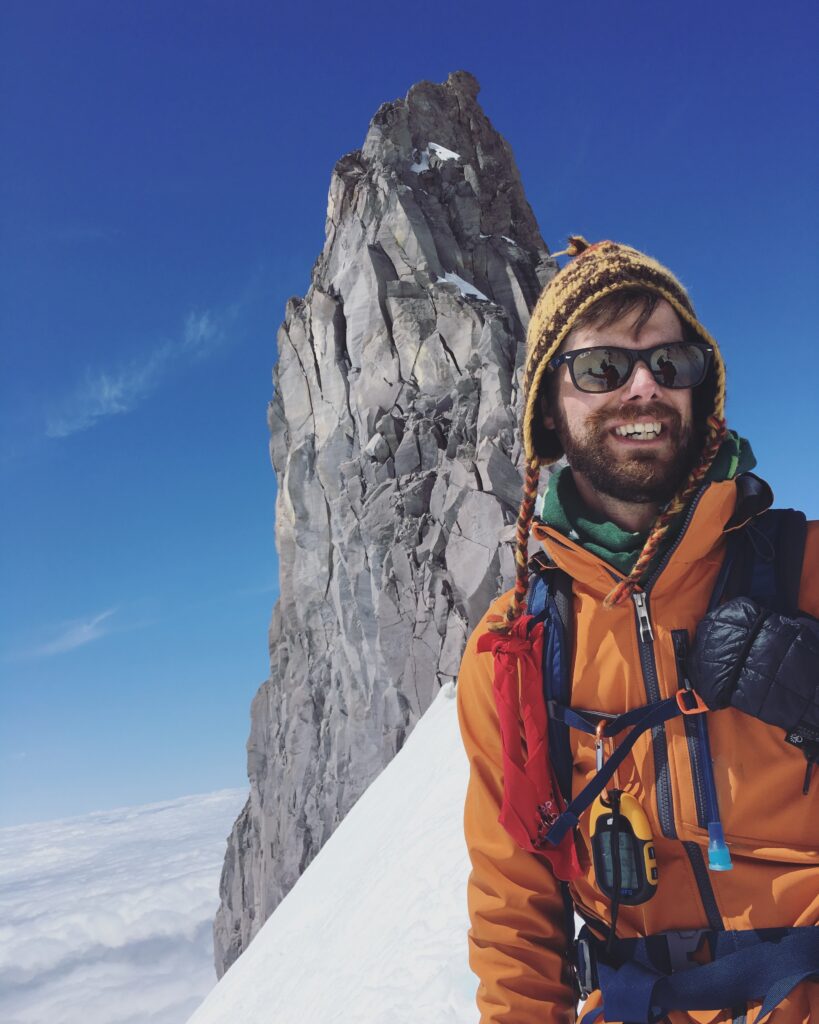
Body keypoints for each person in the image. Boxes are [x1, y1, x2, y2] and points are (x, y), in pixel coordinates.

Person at [456, 237, 819, 1024]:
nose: (645, 386)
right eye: (602, 369)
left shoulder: (804, 568)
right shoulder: (517, 649)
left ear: (701, 387)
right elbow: (514, 903)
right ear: (550, 408)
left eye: (670, 361)